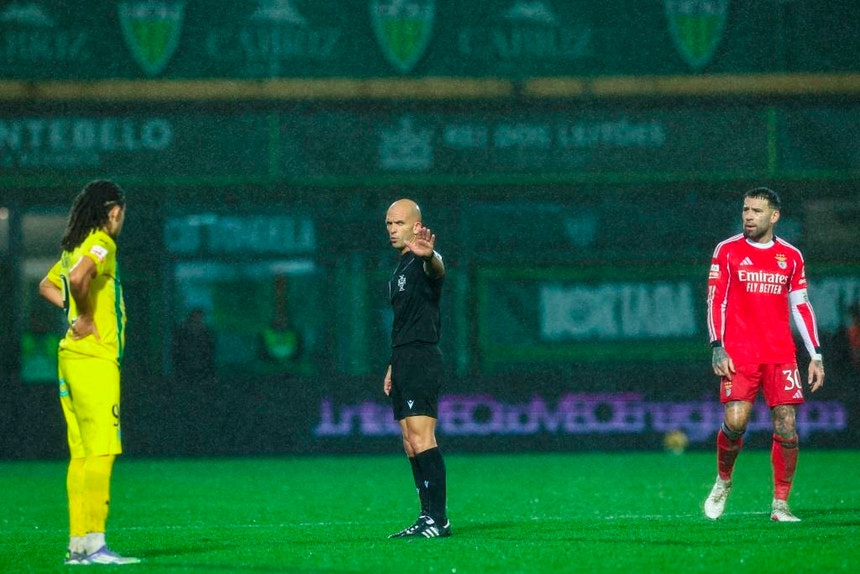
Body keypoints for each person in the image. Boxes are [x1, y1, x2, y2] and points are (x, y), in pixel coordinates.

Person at [704, 187, 825, 522]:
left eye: (756, 211)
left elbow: (801, 306)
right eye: (745, 209)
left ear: (774, 216)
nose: (748, 216)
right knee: (736, 421)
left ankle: (780, 504)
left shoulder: (791, 256)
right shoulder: (727, 251)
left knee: (787, 425)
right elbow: (717, 301)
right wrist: (718, 347)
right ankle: (724, 480)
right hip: (740, 352)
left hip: (780, 354)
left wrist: (815, 355)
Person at [38, 180, 140, 565]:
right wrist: (82, 315)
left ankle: (78, 545)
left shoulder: (72, 248)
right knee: (102, 450)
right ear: (114, 211)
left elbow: (48, 285)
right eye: (121, 215)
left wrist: (71, 308)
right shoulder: (101, 243)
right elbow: (80, 279)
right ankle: (95, 545)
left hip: (70, 357)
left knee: (80, 454)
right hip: (95, 358)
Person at [383, 199, 451, 539]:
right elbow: (404, 321)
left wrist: (431, 257)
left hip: (422, 356)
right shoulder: (399, 268)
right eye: (389, 224)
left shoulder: (422, 260)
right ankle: (426, 515)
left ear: (415, 225)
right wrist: (393, 364)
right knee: (410, 442)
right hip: (405, 358)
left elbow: (438, 270)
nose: (393, 230)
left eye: (399, 223)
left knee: (423, 437)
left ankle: (439, 520)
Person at [172, 307, 217, 454]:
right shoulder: (181, 335)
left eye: (200, 318)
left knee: (203, 415)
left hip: (203, 380)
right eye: (196, 318)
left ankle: (203, 447)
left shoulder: (207, 335)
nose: (198, 321)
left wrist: (210, 377)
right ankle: (185, 446)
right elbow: (176, 358)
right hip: (185, 380)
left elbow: (211, 358)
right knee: (185, 414)